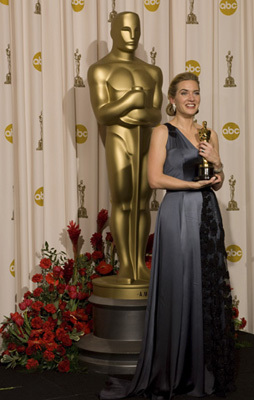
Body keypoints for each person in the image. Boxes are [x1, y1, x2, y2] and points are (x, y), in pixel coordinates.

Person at [100, 72, 235, 399]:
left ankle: (202, 369)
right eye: (185, 93)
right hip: (176, 212)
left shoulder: (209, 133)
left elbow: (216, 181)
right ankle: (172, 369)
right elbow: (154, 178)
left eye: (197, 93)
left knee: (203, 286)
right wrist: (190, 185)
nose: (192, 98)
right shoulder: (162, 132)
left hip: (206, 212)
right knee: (179, 285)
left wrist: (218, 164)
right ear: (172, 98)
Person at [88, 12, 162, 283]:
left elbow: (155, 115)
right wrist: (132, 100)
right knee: (122, 201)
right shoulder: (100, 69)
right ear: (114, 32)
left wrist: (134, 115)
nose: (131, 37)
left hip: (145, 143)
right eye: (125, 31)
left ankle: (139, 264)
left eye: (136, 31)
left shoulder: (152, 71)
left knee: (142, 203)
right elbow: (103, 115)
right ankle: (126, 266)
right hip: (118, 140)